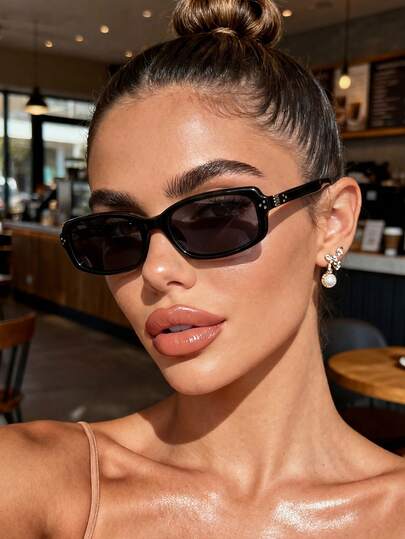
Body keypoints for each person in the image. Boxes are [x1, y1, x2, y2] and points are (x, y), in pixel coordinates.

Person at [2, 0, 405, 537]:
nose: (155, 269)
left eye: (215, 215)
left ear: (332, 222)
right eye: (117, 232)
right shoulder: (35, 481)